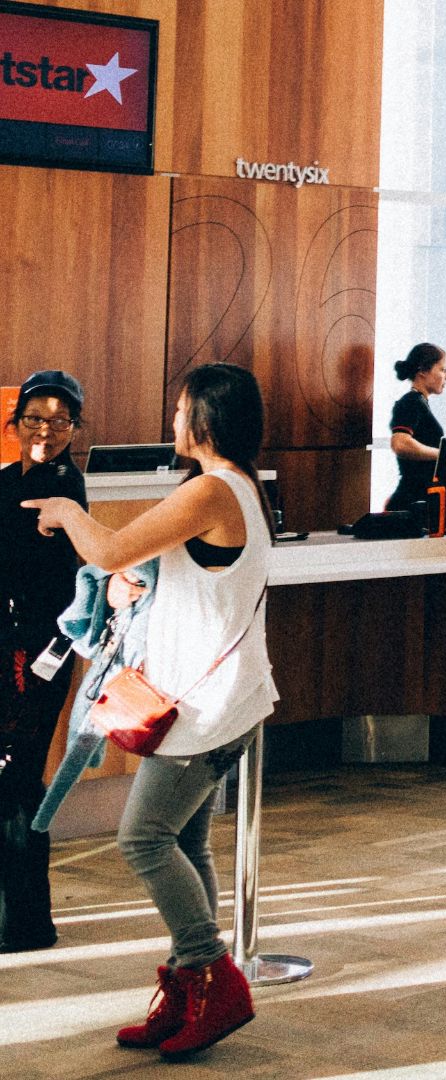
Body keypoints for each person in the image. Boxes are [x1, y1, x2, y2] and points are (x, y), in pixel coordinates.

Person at [24, 363, 277, 1059]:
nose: (171, 420)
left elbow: (106, 549)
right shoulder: (238, 489)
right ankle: (187, 991)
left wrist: (67, 512)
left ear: (205, 418)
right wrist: (140, 584)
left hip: (206, 705)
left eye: (179, 408)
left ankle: (213, 979)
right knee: (185, 842)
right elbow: (177, 571)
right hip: (223, 697)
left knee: (143, 839)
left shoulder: (212, 488)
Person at [0, 371, 87, 954]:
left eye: (59, 421)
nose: (46, 430)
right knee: (13, 776)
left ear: (74, 429)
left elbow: (45, 580)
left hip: (36, 653)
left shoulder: (62, 488)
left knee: (16, 775)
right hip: (11, 645)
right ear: (16, 421)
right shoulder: (11, 479)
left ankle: (25, 921)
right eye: (35, 418)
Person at [385, 343, 446, 514]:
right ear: (422, 371)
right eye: (442, 370)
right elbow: (400, 444)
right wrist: (443, 455)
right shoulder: (410, 402)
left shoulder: (420, 402)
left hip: (419, 496)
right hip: (411, 500)